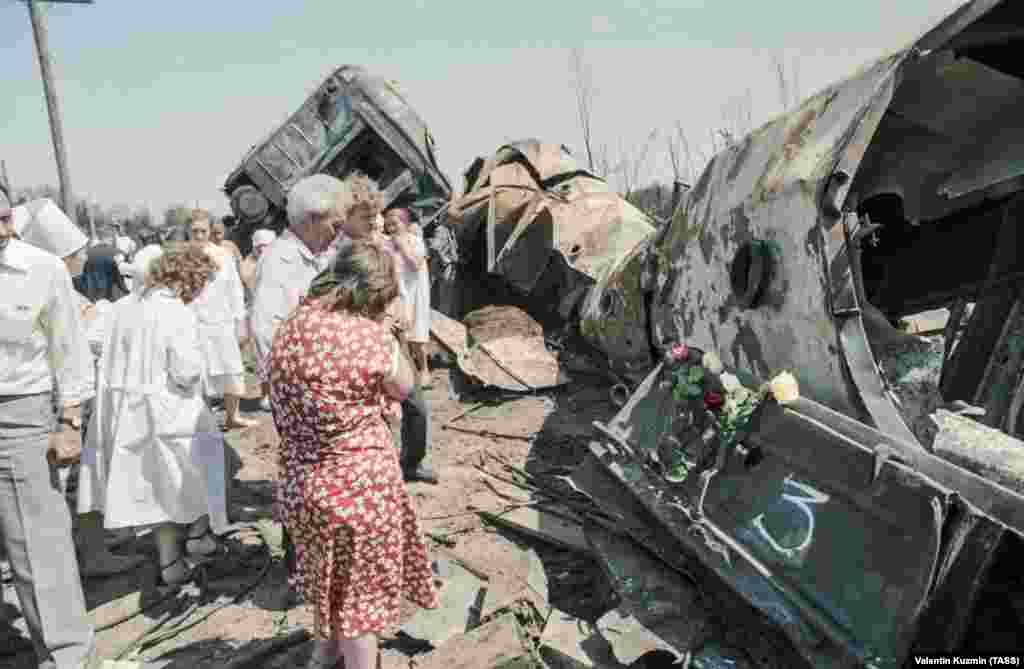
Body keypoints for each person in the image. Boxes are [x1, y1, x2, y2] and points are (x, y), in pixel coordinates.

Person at [270, 241, 439, 669]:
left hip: (302, 485)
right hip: (359, 487)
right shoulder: (369, 336)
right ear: (375, 293)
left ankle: (323, 653)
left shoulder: (291, 326)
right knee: (359, 602)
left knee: (328, 580)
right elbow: (406, 386)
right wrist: (391, 333)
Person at [76, 243, 229, 588]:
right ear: (191, 279)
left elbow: (96, 343)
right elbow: (187, 372)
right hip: (170, 409)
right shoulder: (175, 312)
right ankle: (199, 533)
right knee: (203, 466)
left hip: (130, 413)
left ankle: (170, 562)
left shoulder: (124, 308)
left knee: (160, 490)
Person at [14, 198, 145, 579]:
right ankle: (91, 555)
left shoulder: (58, 286)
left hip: (66, 395)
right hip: (61, 401)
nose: (81, 257)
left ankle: (89, 544)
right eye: (74, 251)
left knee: (79, 476)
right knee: (76, 477)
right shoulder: (51, 289)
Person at [0, 186, 96, 668]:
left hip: (20, 417)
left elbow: (71, 353)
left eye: (5, 216)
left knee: (37, 546)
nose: (4, 228)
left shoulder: (41, 269)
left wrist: (70, 420)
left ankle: (65, 657)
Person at [250, 175, 352, 407]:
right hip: (305, 392)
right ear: (313, 219)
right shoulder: (279, 260)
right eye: (335, 225)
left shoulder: (320, 257)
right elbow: (264, 329)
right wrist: (292, 387)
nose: (339, 234)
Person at [378, 209, 437, 484]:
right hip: (374, 335)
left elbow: (414, 267)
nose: (385, 225)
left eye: (391, 221)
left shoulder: (410, 241)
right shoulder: (375, 248)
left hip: (398, 326)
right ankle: (380, 468)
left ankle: (411, 463)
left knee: (417, 405)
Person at [186, 210, 255, 429]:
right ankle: (203, 419)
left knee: (229, 367)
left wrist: (240, 322)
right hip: (192, 321)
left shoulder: (223, 255)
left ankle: (232, 416)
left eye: (203, 231)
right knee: (198, 371)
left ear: (209, 231)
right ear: (188, 231)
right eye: (194, 231)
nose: (198, 235)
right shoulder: (181, 257)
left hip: (222, 319)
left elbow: (234, 289)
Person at [384, 208, 432, 388]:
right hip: (398, 292)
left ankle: (424, 369)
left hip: (416, 291)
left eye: (394, 224)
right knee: (400, 333)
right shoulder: (386, 244)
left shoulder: (416, 241)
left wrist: (402, 246)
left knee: (418, 332)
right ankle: (406, 371)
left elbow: (415, 263)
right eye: (388, 226)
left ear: (404, 223)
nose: (391, 229)